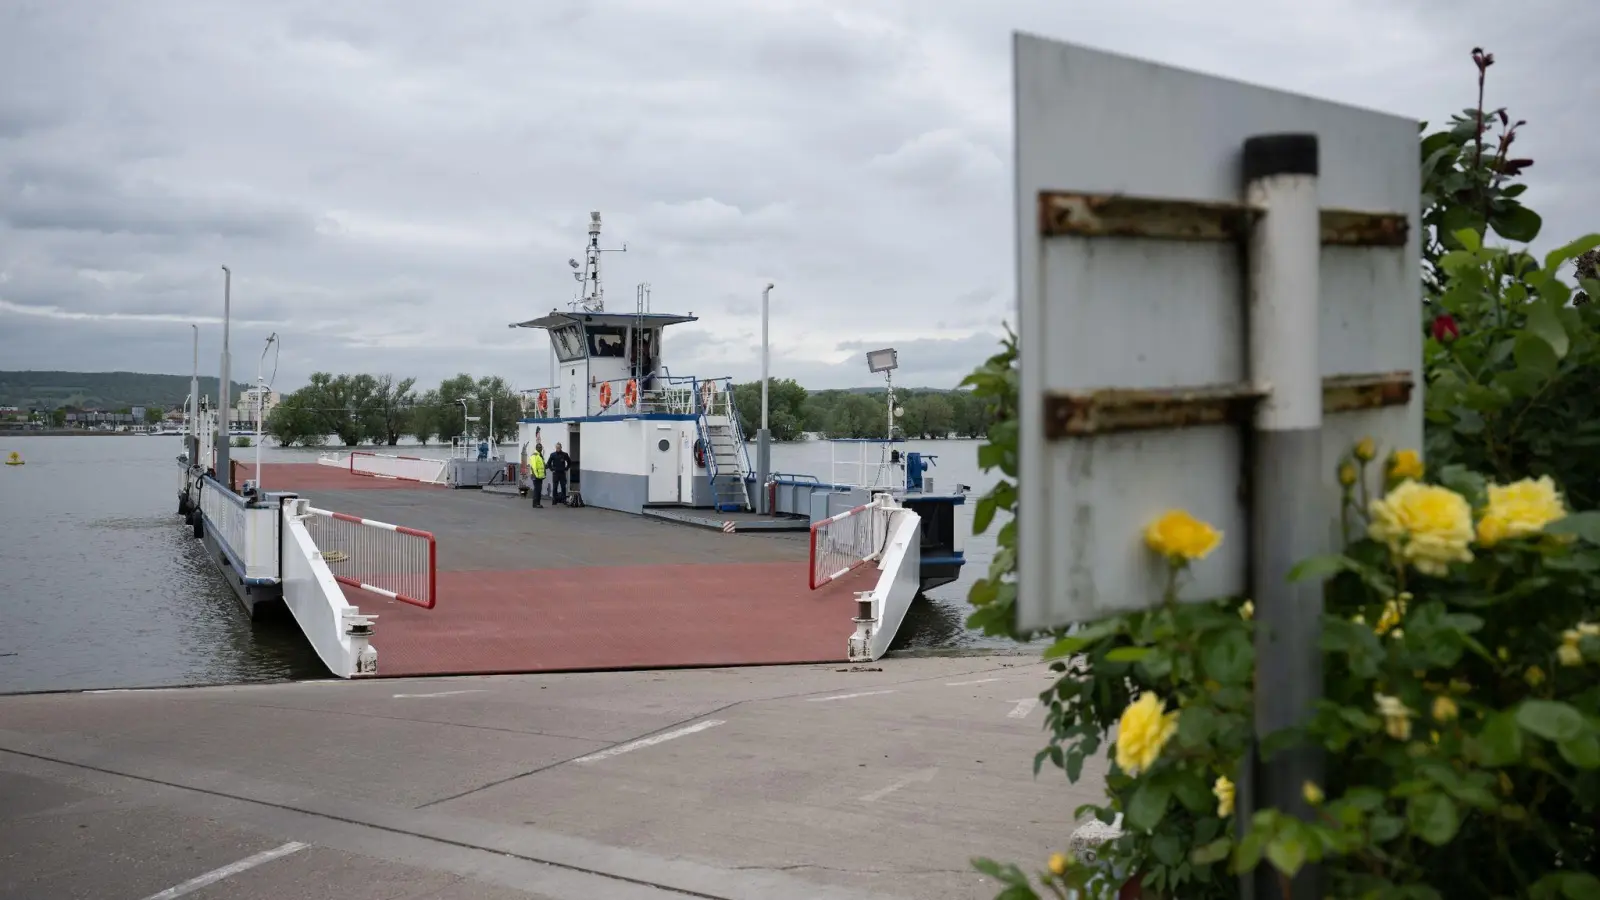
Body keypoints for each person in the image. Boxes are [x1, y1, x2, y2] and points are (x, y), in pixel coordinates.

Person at [528, 443, 547, 508]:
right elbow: (533, 467)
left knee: (539, 490)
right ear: (536, 448)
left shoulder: (540, 456)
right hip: (536, 476)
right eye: (539, 447)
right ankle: (535, 504)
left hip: (540, 476)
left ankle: (538, 503)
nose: (540, 449)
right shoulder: (534, 456)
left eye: (541, 447)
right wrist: (536, 476)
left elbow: (542, 466)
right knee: (537, 490)